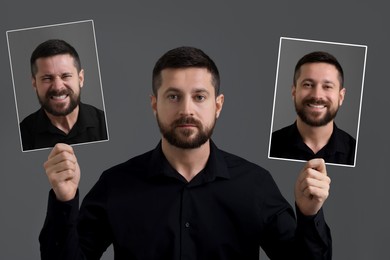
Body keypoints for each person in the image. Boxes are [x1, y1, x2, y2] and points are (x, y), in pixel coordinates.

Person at [40, 47, 332, 259]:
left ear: (217, 105)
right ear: (155, 104)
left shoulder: (255, 185)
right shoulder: (115, 185)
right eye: (173, 96)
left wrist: (309, 214)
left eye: (199, 97)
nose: (187, 110)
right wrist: (64, 201)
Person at [20, 39, 108, 151]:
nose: (57, 87)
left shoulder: (105, 124)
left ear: (80, 79)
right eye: (47, 78)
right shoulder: (22, 135)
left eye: (66, 76)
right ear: (34, 83)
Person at [270, 51, 356, 166]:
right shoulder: (270, 145)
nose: (317, 95)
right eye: (308, 85)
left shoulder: (356, 153)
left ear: (341, 96)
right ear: (294, 92)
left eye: (327, 86)